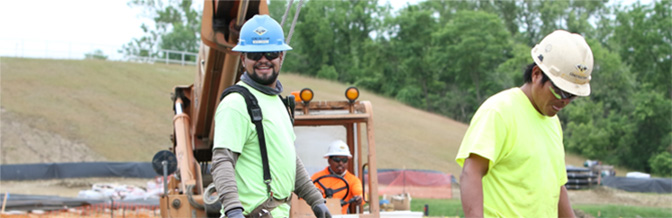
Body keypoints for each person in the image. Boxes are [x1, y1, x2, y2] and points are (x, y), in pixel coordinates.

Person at [455, 30, 594, 217]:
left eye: (572, 96)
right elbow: (471, 173)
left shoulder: (553, 123)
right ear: (536, 74)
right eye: (560, 91)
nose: (565, 101)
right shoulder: (499, 111)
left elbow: (557, 189)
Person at [211, 14, 331, 218]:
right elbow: (222, 161)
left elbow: (289, 159)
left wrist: (316, 200)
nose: (263, 60)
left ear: (281, 57)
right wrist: (233, 210)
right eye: (255, 55)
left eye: (270, 53)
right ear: (243, 59)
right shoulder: (236, 104)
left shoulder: (277, 103)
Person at [311, 140, 364, 214]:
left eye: (344, 160)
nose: (341, 163)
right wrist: (315, 194)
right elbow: (303, 197)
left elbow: (359, 195)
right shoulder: (316, 177)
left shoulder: (353, 180)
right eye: (337, 160)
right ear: (329, 160)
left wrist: (358, 199)